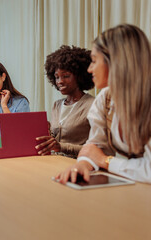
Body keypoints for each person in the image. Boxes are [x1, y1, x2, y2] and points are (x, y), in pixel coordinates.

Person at [56, 24, 151, 184]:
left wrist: (106, 161)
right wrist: (82, 164)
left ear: (116, 62)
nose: (90, 69)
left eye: (94, 61)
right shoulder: (105, 99)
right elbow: (94, 146)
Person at [35, 45, 94, 158]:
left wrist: (61, 147)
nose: (60, 81)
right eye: (57, 77)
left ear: (79, 76)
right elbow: (55, 140)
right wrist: (46, 132)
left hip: (78, 165)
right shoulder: (57, 105)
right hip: (55, 162)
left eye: (66, 76)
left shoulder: (92, 105)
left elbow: (96, 150)